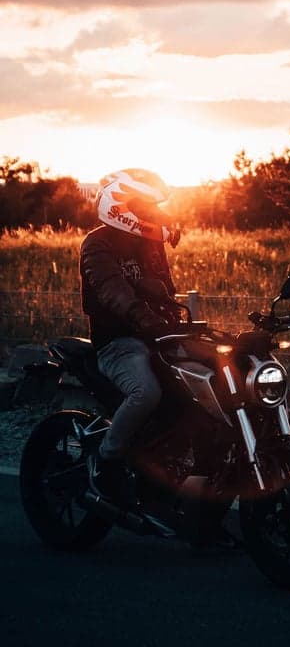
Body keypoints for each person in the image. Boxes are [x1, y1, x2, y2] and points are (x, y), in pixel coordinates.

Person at [80, 167, 181, 504]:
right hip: (118, 342)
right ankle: (106, 462)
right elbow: (111, 289)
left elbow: (165, 285)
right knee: (146, 392)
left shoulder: (151, 242)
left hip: (158, 336)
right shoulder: (97, 244)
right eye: (145, 206)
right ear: (120, 204)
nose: (153, 213)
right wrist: (140, 313)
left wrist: (170, 311)